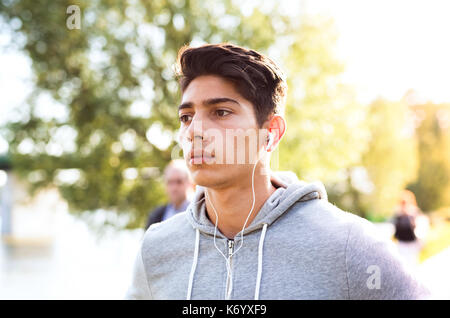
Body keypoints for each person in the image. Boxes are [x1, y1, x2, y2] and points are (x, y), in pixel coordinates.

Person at [126, 43, 431, 299]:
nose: (195, 131)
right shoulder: (157, 248)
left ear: (271, 132)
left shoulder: (347, 244)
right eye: (186, 116)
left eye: (220, 112)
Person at [145, 159, 193, 229]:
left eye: (179, 182)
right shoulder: (156, 216)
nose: (174, 188)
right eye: (170, 182)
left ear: (189, 183)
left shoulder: (201, 213)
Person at [393, 190, 429, 268]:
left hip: (412, 245)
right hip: (401, 245)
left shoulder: (415, 213)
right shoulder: (398, 214)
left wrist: (422, 243)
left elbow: (421, 230)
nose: (404, 204)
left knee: (412, 267)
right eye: (402, 202)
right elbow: (395, 230)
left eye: (405, 202)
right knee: (402, 267)